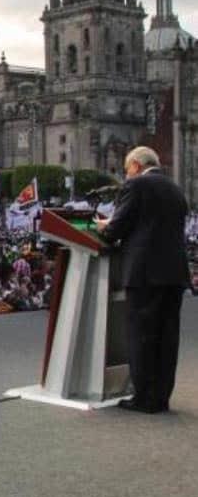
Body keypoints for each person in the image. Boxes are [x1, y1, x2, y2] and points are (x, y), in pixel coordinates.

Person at [96, 146, 190, 414]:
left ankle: (144, 398)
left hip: (145, 274)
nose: (127, 175)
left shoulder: (137, 186)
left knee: (142, 335)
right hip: (173, 274)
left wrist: (105, 226)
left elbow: (116, 229)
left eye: (127, 170)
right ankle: (161, 397)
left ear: (136, 165)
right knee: (167, 337)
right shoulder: (175, 188)